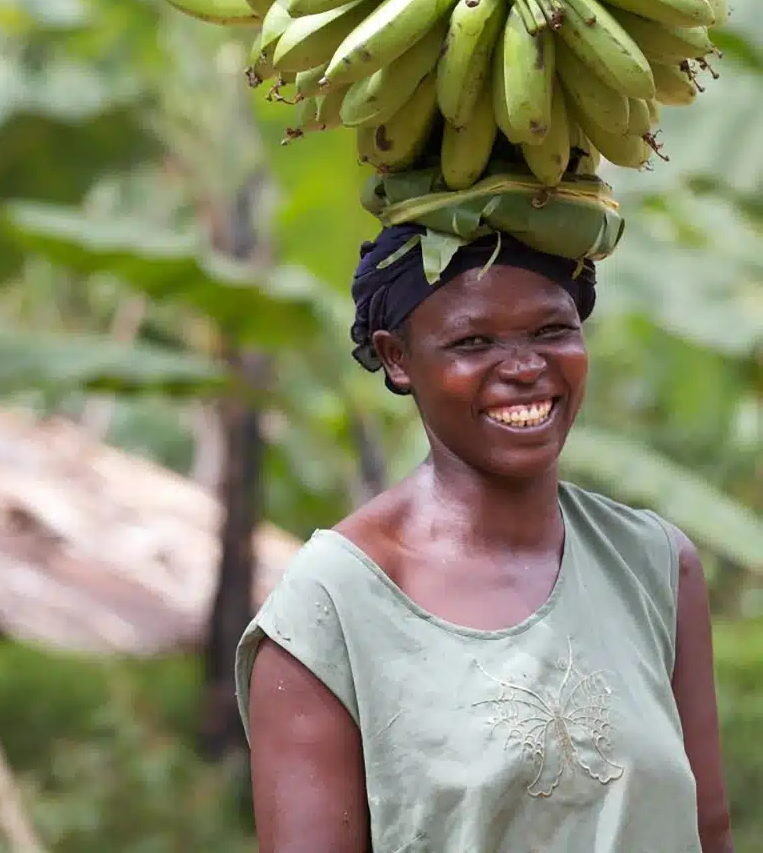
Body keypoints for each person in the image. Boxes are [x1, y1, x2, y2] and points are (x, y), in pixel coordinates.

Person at [235, 223, 733, 853]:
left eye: (552, 330)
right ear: (397, 358)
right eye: (473, 341)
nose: (525, 367)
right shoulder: (329, 609)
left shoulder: (654, 564)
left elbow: (708, 831)